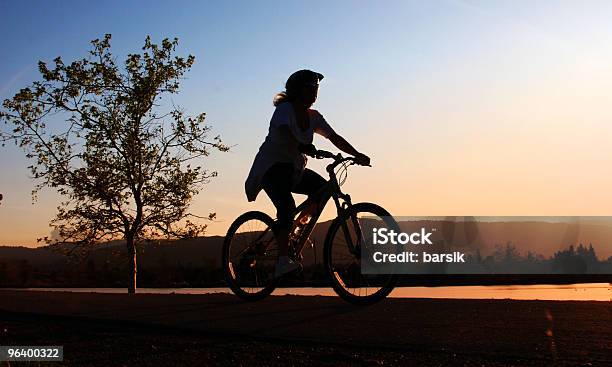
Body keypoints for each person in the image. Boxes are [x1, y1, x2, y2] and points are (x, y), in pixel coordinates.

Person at [245, 69, 370, 277]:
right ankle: (282, 261)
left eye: (317, 88)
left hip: (293, 169)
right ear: (296, 90)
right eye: (310, 88)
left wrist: (357, 154)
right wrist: (303, 145)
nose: (315, 92)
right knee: (286, 206)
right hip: (272, 169)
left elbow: (334, 137)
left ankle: (294, 231)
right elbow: (285, 131)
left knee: (322, 190)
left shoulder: (314, 117)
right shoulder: (285, 109)